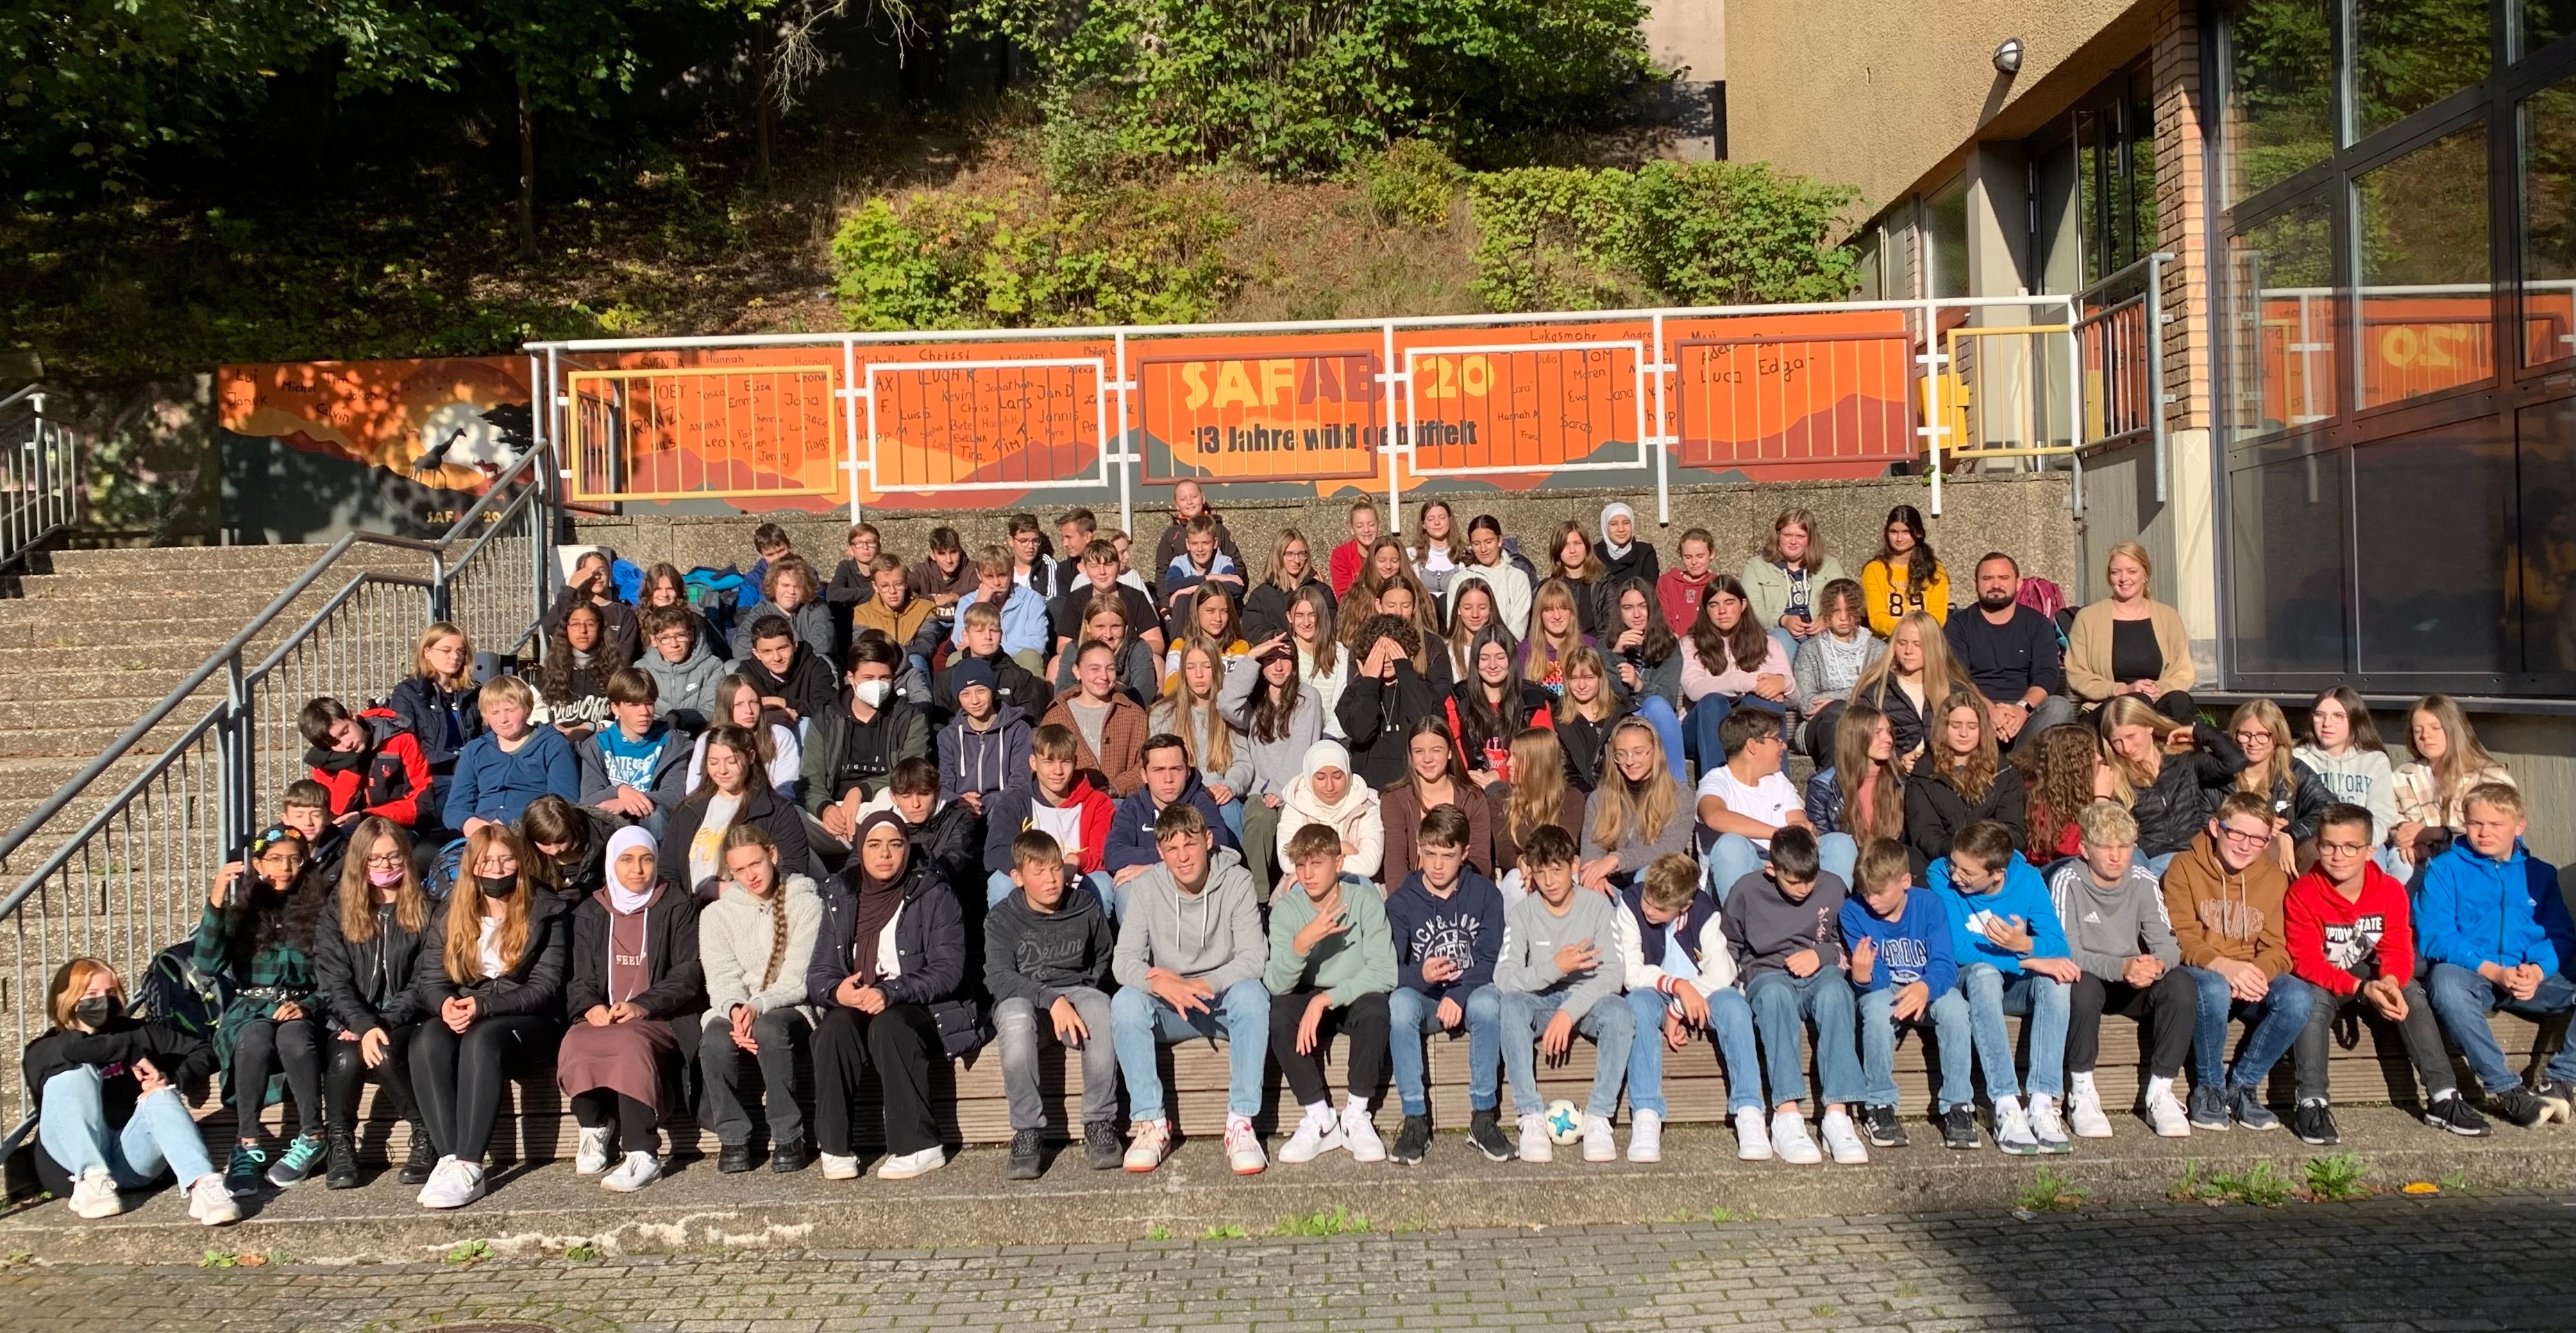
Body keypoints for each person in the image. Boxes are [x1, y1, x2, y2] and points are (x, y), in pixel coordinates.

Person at [2284, 803, 2490, 1145]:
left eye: (2350, 847)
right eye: (2329, 846)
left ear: (2370, 851)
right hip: (2324, 977)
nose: (2338, 856)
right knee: (2310, 1001)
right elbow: (2305, 960)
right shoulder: (2303, 893)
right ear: (2318, 846)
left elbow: (2397, 948)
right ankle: (2311, 1101)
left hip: (2370, 973)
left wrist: (2391, 981)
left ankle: (2443, 1096)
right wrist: (2362, 988)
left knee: (2410, 992)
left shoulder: (2390, 890)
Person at [806, 811, 980, 1182]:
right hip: (862, 999)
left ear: (907, 849)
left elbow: (948, 970)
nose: (884, 854)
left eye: (894, 844)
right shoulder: (841, 894)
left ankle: (920, 1145)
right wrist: (838, 991)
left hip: (928, 1005)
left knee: (889, 1026)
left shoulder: (934, 892)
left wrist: (891, 991)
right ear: (860, 850)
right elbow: (819, 973)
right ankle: (834, 1145)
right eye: (874, 845)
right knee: (834, 1029)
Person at [407, 825, 574, 1209]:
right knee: (428, 1037)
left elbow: (546, 986)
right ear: (471, 866)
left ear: (520, 861)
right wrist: (444, 1004)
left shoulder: (548, 910)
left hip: (531, 1021)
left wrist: (485, 1008)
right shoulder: (449, 912)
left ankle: (470, 1164)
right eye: (486, 861)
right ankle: (449, 1158)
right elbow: (429, 979)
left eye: (506, 859)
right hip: (471, 1007)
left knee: (484, 1038)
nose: (497, 869)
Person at [1111, 803, 1272, 1175]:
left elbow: (1253, 958)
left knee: (1252, 996)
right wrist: (1164, 983)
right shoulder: (1147, 887)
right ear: (1160, 852)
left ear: (1208, 840)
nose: (1183, 857)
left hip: (1220, 1002)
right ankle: (1151, 1124)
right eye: (1172, 849)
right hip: (1172, 1008)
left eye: (1191, 845)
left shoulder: (1237, 881)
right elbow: (1124, 962)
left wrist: (1204, 984)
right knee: (1126, 1003)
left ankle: (1241, 1123)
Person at [26, 958, 236, 1225]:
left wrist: (171, 1078)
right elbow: (74, 1050)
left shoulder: (137, 1032)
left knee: (160, 1095)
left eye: (111, 993)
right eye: (91, 995)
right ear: (67, 998)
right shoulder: (44, 1049)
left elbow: (204, 1051)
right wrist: (131, 1054)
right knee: (73, 1076)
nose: (103, 1001)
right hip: (69, 1169)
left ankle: (204, 1185)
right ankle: (91, 1179)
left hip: (130, 1159)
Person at [2417, 784, 2576, 1128]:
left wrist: (2537, 969)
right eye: (2475, 823)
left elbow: (2560, 935)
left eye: (2495, 824)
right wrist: (2493, 971)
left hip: (2531, 978)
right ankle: (2507, 1090)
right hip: (2476, 973)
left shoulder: (2540, 874)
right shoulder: (2444, 869)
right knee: (2444, 980)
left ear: (2519, 826)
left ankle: (2562, 1080)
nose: (2484, 832)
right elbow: (2436, 937)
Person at [559, 828, 702, 1193]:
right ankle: (594, 1126)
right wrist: (589, 1007)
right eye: (627, 859)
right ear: (611, 864)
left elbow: (687, 975)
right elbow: (578, 978)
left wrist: (642, 1005)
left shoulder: (676, 904)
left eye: (646, 859)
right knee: (576, 1039)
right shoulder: (591, 911)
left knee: (627, 1043)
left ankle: (643, 1153)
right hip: (606, 1015)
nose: (638, 869)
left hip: (662, 1017)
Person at [2161, 790, 2311, 1132]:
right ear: (2216, 828)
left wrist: (2256, 973)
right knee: (2213, 988)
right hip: (2203, 972)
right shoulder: (2184, 867)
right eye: (2237, 834)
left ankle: (2242, 1086)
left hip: (2251, 974)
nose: (2245, 846)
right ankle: (2209, 1088)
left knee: (2298, 997)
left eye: (2257, 839)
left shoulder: (2273, 877)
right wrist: (2224, 966)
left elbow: (2278, 946)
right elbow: (2180, 936)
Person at [1926, 819, 2078, 1155]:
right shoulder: (1940, 876)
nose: (1956, 876)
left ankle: (2041, 1102)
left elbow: (2058, 945)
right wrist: (2028, 960)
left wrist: (2025, 944)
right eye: (1955, 864)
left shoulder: (2028, 880)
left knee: (2056, 980)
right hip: (1970, 982)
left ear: (1998, 874)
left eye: (1967, 872)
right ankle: (2006, 1103)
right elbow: (1958, 947)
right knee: (1984, 974)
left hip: (2014, 987)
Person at [2046, 802, 2194, 1140]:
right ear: (2085, 849)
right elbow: (2065, 951)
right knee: (2080, 985)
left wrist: (2154, 965)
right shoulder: (2067, 880)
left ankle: (2161, 1091)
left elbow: (2168, 945)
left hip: (2134, 980)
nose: (2116, 856)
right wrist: (2121, 966)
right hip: (2094, 977)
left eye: (2124, 847)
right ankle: (2081, 1090)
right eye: (2106, 847)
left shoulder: (2142, 880)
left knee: (2181, 984)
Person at [1720, 825, 1865, 1165]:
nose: (1803, 889)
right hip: (1768, 974)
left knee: (1835, 993)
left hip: (1820, 971)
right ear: (1771, 870)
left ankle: (1837, 1115)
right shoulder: (1746, 891)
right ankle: (1787, 1116)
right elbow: (1728, 946)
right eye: (1794, 882)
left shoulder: (1832, 887)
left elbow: (1848, 943)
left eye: (1809, 880)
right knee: (1774, 998)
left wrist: (1822, 955)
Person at [196, 825, 328, 1193]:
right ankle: (247, 1143)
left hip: (302, 1005)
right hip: (250, 1007)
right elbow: (206, 965)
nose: (285, 868)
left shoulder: (321, 910)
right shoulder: (243, 911)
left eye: (294, 859)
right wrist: (218, 897)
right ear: (257, 864)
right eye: (275, 860)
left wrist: (307, 1005)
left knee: (294, 1039)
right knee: (253, 1040)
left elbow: (335, 978)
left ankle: (313, 1133)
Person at [986, 830, 1123, 1179]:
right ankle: (1028, 1130)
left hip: (1076, 994)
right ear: (1017, 878)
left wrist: (1079, 992)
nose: (1051, 880)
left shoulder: (1085, 908)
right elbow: (998, 978)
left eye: (1056, 869)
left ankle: (1100, 1122)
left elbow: (1103, 958)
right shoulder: (1002, 918)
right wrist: (1052, 999)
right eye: (1039, 872)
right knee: (1015, 1018)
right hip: (1025, 1000)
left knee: (1101, 1007)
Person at [1493, 824, 1633, 1163]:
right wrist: (1556, 967)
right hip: (1540, 999)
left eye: (1557, 870)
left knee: (1620, 1011)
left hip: (1587, 1002)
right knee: (1510, 1006)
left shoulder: (1598, 908)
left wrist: (1568, 1011)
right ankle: (1530, 1116)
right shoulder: (1524, 912)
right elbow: (1504, 976)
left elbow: (1614, 974)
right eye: (1540, 873)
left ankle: (1599, 1118)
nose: (1550, 881)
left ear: (1574, 866)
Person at [312, 818, 435, 1189]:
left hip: (409, 1019)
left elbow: (424, 980)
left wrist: (380, 1025)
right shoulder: (336, 911)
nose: (384, 866)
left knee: (381, 1052)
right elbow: (333, 981)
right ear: (359, 862)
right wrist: (363, 1024)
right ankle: (341, 1145)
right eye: (374, 859)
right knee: (346, 1058)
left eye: (393, 857)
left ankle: (425, 1135)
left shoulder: (429, 909)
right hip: (349, 1019)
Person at [1383, 805, 1510, 1164]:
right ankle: (1415, 1118)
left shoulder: (1486, 895)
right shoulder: (1403, 901)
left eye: (1449, 856)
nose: (1438, 865)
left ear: (1465, 854)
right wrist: (1420, 976)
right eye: (1431, 854)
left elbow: (1490, 958)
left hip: (1469, 994)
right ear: (1420, 850)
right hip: (1423, 998)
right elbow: (1389, 968)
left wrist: (1458, 992)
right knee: (1400, 1005)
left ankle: (1483, 1116)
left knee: (1488, 1005)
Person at [1266, 823, 1399, 1164]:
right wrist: (1302, 943)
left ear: (1339, 864)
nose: (1308, 875)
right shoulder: (1286, 910)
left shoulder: (1365, 900)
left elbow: (1384, 972)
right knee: (1279, 1014)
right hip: (1305, 988)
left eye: (1317, 864)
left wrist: (1325, 1000)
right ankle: (1319, 1118)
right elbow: (1276, 984)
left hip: (1352, 990)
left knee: (1377, 1009)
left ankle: (1356, 1114)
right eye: (1301, 865)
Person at [1619, 850, 1762, 1162]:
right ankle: (1646, 1113)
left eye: (1660, 908)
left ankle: (1749, 1110)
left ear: (1684, 905)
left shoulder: (1703, 911)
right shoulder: (1631, 903)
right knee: (1638, 1005)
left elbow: (1722, 973)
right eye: (1648, 900)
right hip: (1656, 989)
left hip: (1703, 992)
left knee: (1735, 1009)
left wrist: (1679, 1008)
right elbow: (1632, 974)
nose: (1649, 910)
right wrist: (1677, 987)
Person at [696, 825, 823, 1174]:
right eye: (739, 870)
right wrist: (737, 1009)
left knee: (770, 1029)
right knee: (715, 1040)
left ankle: (788, 1136)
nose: (750, 875)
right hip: (739, 1008)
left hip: (790, 1006)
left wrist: (757, 1007)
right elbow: (721, 978)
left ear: (773, 855)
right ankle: (734, 1138)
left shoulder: (805, 902)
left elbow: (798, 979)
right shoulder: (716, 915)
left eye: (756, 864)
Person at [1839, 837, 1971, 1152]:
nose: (1871, 900)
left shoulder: (1929, 905)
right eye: (1866, 891)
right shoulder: (1853, 911)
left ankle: (1958, 1105)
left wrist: (1925, 988)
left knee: (1955, 1008)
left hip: (1928, 984)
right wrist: (1863, 977)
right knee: (1876, 1009)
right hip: (1885, 988)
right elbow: (1878, 974)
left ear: (1906, 882)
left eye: (1880, 892)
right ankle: (1880, 1105)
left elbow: (1944, 965)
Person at [806, 637, 933, 849]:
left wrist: (860, 791)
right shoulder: (825, 718)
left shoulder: (910, 718)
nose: (877, 684)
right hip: (834, 811)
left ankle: (871, 847)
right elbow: (811, 778)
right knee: (792, 818)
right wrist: (825, 809)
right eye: (868, 677)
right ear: (851, 678)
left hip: (883, 804)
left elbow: (911, 771)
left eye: (884, 677)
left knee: (901, 802)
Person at [1944, 553, 2076, 753]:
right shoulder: (1959, 625)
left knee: (2059, 707)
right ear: (1975, 584)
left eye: (2004, 578)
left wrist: (2022, 709)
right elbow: (1958, 676)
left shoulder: (2037, 623)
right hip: (1976, 710)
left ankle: (2014, 769)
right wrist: (1990, 710)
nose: (1996, 585)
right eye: (1987, 579)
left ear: (2019, 583)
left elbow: (2047, 674)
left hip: (2025, 713)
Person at [1698, 707, 1837, 897]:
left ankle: (1826, 917)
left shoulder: (1778, 780)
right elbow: (1715, 816)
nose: (1784, 746)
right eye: (1777, 739)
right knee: (1731, 845)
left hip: (1782, 868)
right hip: (1736, 875)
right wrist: (1778, 835)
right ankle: (1740, 923)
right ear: (1753, 746)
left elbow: (1796, 820)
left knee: (1839, 844)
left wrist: (1802, 828)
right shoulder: (1716, 781)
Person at [2100, 694, 2246, 872]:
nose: (2127, 748)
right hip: (2152, 862)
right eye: (2117, 742)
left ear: (2149, 726)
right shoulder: (2118, 777)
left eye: (2131, 736)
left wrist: (2198, 732)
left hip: (2195, 854)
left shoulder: (2183, 761)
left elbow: (2235, 761)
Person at [979, 723, 1118, 911]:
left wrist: (1076, 861)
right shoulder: (1014, 803)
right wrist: (1039, 873)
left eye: (1065, 762)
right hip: (1031, 882)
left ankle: (1093, 938)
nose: (1058, 771)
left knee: (1101, 883)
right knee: (1000, 883)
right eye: (1049, 762)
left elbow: (1101, 853)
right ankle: (1008, 938)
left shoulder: (1098, 803)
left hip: (1078, 878)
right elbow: (997, 851)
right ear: (1033, 763)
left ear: (1075, 762)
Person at [1222, 640, 1323, 892]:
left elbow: (1303, 746)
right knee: (1258, 817)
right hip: (1260, 790)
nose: (1278, 667)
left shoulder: (1307, 697)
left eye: (1285, 659)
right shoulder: (1254, 704)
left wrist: (1279, 789)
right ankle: (1258, 897)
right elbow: (1225, 704)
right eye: (1269, 660)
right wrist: (1252, 656)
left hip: (1296, 788)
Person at [1105, 734, 1244, 904]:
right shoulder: (1133, 807)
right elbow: (1113, 854)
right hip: (1150, 889)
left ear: (1188, 772)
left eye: (1176, 769)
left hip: (1195, 888)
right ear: (1144, 775)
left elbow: (1220, 845)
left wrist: (1159, 867)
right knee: (1125, 888)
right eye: (1158, 770)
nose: (1168, 779)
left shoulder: (1200, 802)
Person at [1903, 691, 2029, 875]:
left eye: (1972, 726)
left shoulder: (2004, 773)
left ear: (1982, 729)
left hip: (1994, 865)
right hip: (1943, 865)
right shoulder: (1924, 774)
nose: (1964, 734)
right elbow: (1926, 835)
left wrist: (1982, 854)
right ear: (1944, 728)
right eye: (1956, 726)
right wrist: (1964, 855)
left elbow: (2014, 832)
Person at [2389, 694, 2517, 876]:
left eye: (2435, 728)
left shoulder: (2490, 778)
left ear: (2454, 730)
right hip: (2420, 858)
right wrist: (2407, 840)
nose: (2426, 736)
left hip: (2473, 863)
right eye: (2418, 731)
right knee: (2400, 860)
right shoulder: (2403, 776)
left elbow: (2496, 834)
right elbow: (2391, 818)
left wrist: (2436, 834)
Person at [2066, 542, 2194, 722]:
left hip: (2157, 702)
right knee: (2137, 701)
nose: (2123, 578)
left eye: (2132, 571)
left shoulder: (2168, 616)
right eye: (2115, 572)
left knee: (2180, 701)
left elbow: (2183, 671)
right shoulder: (2088, 618)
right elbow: (2077, 674)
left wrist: (2160, 688)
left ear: (2145, 574)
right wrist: (2122, 690)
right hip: (2108, 708)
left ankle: (2180, 750)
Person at [1679, 573, 1792, 770]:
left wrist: (1784, 683)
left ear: (1743, 604)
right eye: (1714, 605)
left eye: (1729, 602)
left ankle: (1778, 786)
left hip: (1745, 728)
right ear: (1706, 610)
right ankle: (1716, 792)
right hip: (1701, 729)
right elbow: (1694, 689)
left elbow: (1795, 698)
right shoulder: (1690, 644)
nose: (1722, 611)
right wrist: (1746, 682)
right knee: (1712, 701)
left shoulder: (1769, 644)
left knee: (1766, 699)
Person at [1577, 716, 1692, 893]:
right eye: (1621, 754)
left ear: (1656, 751)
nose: (1629, 762)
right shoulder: (1598, 798)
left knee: (1645, 876)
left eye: (1638, 752)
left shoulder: (1679, 795)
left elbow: (1669, 849)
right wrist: (1595, 876)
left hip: (1660, 886)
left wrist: (1617, 859)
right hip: (1611, 884)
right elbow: (1591, 851)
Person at [1378, 716, 1494, 883]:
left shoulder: (1472, 797)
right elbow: (1395, 860)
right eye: (1419, 751)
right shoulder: (1395, 799)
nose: (1427, 759)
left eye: (1436, 750)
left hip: (1461, 891)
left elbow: (1480, 860)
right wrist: (1402, 904)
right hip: (1412, 894)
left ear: (1449, 752)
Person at [1153, 644, 1251, 841]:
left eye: (1206, 666)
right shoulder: (1163, 713)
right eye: (1191, 667)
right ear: (1183, 672)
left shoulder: (1229, 712)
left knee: (1231, 811)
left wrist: (1229, 786)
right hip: (1180, 795)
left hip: (1218, 793)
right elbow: (1157, 764)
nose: (1199, 674)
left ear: (1216, 669)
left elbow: (1243, 762)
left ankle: (1232, 868)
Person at [389, 621, 483, 823]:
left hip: (472, 772)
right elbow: (406, 746)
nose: (455, 657)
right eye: (447, 650)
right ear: (427, 652)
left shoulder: (474, 692)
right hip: (433, 776)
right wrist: (457, 762)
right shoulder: (408, 693)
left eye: (461, 651)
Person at [574, 669, 689, 835]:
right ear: (616, 708)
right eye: (634, 705)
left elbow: (674, 795)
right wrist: (619, 791)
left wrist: (626, 802)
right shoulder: (597, 744)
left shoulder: (671, 743)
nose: (645, 712)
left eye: (649, 703)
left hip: (652, 820)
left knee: (656, 815)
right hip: (611, 823)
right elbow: (588, 799)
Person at [1849, 611, 1972, 762]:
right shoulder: (1875, 690)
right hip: (1891, 777)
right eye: (1902, 643)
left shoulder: (1956, 691)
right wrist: (1898, 761)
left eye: (1918, 644)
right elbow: (1859, 743)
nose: (1908, 651)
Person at [1340, 615, 1443, 792]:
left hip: (1413, 788)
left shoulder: (1424, 691)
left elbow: (1426, 727)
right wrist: (1370, 682)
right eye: (1379, 652)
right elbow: (1360, 732)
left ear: (1407, 654)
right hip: (1367, 790)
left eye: (1393, 651)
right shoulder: (1355, 693)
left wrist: (1405, 672)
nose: (1386, 660)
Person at [301, 696, 433, 834]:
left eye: (345, 732)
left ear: (351, 716)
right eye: (335, 743)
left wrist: (366, 816)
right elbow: (334, 812)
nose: (347, 744)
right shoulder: (324, 764)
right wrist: (353, 767)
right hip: (348, 832)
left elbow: (423, 805)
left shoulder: (400, 740)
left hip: (399, 827)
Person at [2230, 699, 2330, 873]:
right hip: (2234, 850)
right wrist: (2260, 827)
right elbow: (2203, 818)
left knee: (2314, 851)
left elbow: (2328, 808)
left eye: (2263, 735)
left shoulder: (2295, 771)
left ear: (2276, 737)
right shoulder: (2221, 774)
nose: (2253, 743)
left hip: (2286, 850)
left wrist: (2290, 833)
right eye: (2245, 734)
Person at [1444, 625, 1550, 789]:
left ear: (1511, 659)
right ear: (1475, 661)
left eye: (1500, 657)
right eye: (1485, 658)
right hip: (1473, 788)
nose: (1492, 665)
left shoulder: (1534, 700)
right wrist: (1465, 776)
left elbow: (1542, 753)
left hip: (1523, 788)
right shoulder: (1458, 700)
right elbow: (1452, 748)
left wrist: (1499, 774)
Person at [2292, 686, 2399, 849]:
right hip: (2315, 843)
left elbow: (2383, 816)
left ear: (2355, 719)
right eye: (2320, 716)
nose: (2327, 724)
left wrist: (2362, 843)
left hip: (2365, 844)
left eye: (2338, 716)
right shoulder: (2298, 758)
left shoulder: (2374, 760)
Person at [1043, 639, 1152, 797]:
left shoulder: (1133, 714)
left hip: (1123, 805)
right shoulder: (1056, 716)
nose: (1104, 676)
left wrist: (1116, 788)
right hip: (1071, 805)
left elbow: (1146, 762)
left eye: (1110, 669)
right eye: (1095, 669)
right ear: (1077, 671)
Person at [1603, 578, 1687, 781]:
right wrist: (1616, 655)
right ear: (1619, 612)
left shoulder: (1668, 644)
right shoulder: (1605, 646)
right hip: (1620, 714)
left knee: (1657, 704)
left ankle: (1680, 786)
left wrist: (1638, 684)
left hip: (1655, 714)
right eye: (1628, 608)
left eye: (1643, 606)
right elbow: (1606, 697)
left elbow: (1667, 696)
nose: (1637, 614)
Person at [1790, 578, 1881, 762]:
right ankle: (1833, 780)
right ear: (1826, 612)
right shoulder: (1810, 650)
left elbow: (1880, 695)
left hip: (1867, 725)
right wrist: (1858, 696)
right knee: (1837, 714)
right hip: (1819, 727)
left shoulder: (1878, 649)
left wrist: (1837, 699)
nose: (1843, 618)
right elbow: (1808, 704)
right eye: (1836, 611)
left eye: (1850, 610)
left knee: (1842, 711)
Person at [1274, 738, 1385, 887]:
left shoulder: (1366, 804)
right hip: (1306, 884)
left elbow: (1370, 864)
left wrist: (1311, 863)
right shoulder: (1296, 805)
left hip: (1356, 884)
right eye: (1320, 778)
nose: (1330, 786)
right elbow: (1287, 861)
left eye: (1338, 777)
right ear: (1308, 776)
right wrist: (1342, 848)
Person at [1491, 726, 1583, 898]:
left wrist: (1539, 867)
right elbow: (1503, 849)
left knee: (1574, 878)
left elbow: (1565, 844)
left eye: (1517, 757)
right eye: (1510, 756)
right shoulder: (1500, 800)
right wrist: (1521, 862)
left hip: (1558, 869)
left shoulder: (1571, 799)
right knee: (1514, 881)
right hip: (1522, 873)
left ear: (1538, 762)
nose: (1508, 763)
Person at [1742, 507, 1845, 660]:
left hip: (1818, 631)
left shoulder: (1830, 566)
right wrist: (1782, 620)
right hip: (1777, 632)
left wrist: (1826, 619)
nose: (1793, 542)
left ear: (1810, 539)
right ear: (1778, 535)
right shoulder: (1756, 566)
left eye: (1800, 536)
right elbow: (1751, 609)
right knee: (1780, 638)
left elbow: (1845, 602)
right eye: (1787, 535)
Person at [1050, 539, 1163, 675]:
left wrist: (1125, 651)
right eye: (1094, 566)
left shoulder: (1135, 597)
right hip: (1088, 663)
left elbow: (1157, 643)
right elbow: (1063, 646)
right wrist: (1095, 654)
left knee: (1157, 662)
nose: (1102, 572)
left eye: (1108, 565)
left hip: (1127, 661)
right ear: (1086, 569)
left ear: (1118, 566)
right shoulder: (1076, 598)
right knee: (1056, 664)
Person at [936, 658, 1031, 814]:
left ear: (992, 691)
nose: (975, 701)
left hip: (1003, 805)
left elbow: (1021, 782)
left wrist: (985, 803)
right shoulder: (948, 736)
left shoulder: (1018, 730)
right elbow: (944, 784)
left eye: (981, 691)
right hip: (961, 806)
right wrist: (959, 800)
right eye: (965, 694)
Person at [687, 675, 802, 798]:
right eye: (739, 704)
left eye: (754, 702)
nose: (749, 710)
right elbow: (693, 790)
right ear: (726, 707)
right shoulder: (706, 741)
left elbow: (785, 790)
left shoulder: (780, 736)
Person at [946, 598, 1057, 719]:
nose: (988, 637)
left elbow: (1031, 723)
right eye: (980, 631)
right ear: (965, 636)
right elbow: (940, 725)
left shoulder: (1022, 679)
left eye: (994, 631)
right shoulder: (947, 678)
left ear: (1001, 636)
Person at [2019, 722, 2111, 863]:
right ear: (2072, 764)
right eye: (2091, 753)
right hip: (2054, 869)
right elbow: (2075, 849)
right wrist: (2102, 800)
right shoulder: (2039, 798)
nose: (2099, 758)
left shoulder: (2084, 789)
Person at [954, 544, 1053, 674]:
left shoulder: (1031, 599)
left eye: (1002, 575)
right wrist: (980, 604)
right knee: (955, 658)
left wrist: (993, 648)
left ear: (1011, 572)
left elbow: (1037, 642)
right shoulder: (967, 602)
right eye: (989, 576)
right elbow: (960, 642)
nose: (996, 583)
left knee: (1030, 657)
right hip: (981, 660)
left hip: (1018, 660)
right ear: (979, 575)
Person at [537, 601, 628, 737]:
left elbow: (631, 720)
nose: (583, 630)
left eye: (590, 624)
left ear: (601, 628)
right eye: (575, 624)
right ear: (566, 628)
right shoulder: (548, 675)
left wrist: (593, 727)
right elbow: (528, 717)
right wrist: (549, 728)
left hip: (601, 750)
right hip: (559, 750)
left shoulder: (618, 675)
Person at [1860, 504, 1949, 636]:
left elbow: (1938, 614)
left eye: (1906, 532)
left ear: (1919, 533)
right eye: (1894, 532)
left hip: (1926, 639)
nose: (1899, 539)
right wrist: (1906, 633)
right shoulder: (1874, 570)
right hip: (1887, 642)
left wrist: (1917, 634)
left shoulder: (1935, 569)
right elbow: (1877, 617)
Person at [852, 553, 943, 680]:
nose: (893, 591)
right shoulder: (863, 612)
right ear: (875, 587)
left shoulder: (925, 608)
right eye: (885, 586)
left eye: (898, 584)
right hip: (878, 670)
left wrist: (894, 652)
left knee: (916, 660)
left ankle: (922, 700)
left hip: (910, 669)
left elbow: (926, 646)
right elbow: (862, 649)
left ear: (906, 583)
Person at [637, 605, 730, 730]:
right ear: (653, 640)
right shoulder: (641, 669)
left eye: (680, 635)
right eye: (665, 638)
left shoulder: (711, 666)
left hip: (697, 736)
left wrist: (680, 718)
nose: (674, 645)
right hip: (655, 737)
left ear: (691, 635)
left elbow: (713, 710)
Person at [546, 549, 642, 666]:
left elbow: (624, 655)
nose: (597, 576)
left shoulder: (623, 613)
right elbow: (551, 627)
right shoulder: (573, 610)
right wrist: (570, 588)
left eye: (601, 570)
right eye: (589, 572)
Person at [740, 611, 838, 726]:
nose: (777, 658)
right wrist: (768, 717)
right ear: (756, 653)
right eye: (767, 651)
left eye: (782, 648)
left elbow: (825, 709)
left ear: (794, 646)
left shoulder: (816, 667)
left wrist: (781, 702)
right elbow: (735, 714)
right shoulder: (746, 673)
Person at [1161, 515, 1245, 642]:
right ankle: (1178, 650)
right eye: (1195, 543)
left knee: (1225, 598)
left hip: (1216, 620)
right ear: (1187, 544)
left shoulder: (1223, 561)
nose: (1200, 549)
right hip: (1189, 621)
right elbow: (1171, 584)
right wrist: (1211, 577)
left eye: (1206, 543)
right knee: (1182, 599)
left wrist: (1191, 589)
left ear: (1215, 543)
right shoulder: (1180, 562)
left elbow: (1235, 587)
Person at [735, 557, 832, 665]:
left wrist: (786, 656)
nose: (791, 591)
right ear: (774, 586)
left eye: (797, 586)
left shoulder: (817, 609)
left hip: (806, 669)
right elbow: (741, 649)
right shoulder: (759, 612)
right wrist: (774, 659)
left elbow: (823, 647)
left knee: (825, 662)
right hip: (768, 670)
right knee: (732, 666)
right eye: (785, 585)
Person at [1551, 646, 1622, 793]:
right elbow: (1566, 771)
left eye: (1589, 678)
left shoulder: (1619, 716)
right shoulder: (1558, 720)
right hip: (1576, 797)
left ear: (1600, 678)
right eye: (1575, 678)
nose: (1582, 686)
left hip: (1615, 795)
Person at [1449, 515, 1533, 638]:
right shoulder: (1459, 580)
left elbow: (1518, 630)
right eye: (1477, 544)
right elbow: (1454, 628)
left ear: (1499, 541)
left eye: (1489, 542)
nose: (1483, 549)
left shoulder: (1518, 578)